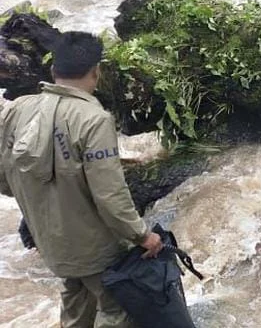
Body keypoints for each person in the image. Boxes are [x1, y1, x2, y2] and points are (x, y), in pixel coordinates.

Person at [0, 32, 164, 328]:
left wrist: (40, 201)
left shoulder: (18, 109)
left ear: (53, 71)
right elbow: (110, 195)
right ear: (96, 72)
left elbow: (4, 176)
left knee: (76, 301)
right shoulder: (93, 119)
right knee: (117, 311)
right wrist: (142, 235)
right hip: (95, 249)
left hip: (51, 243)